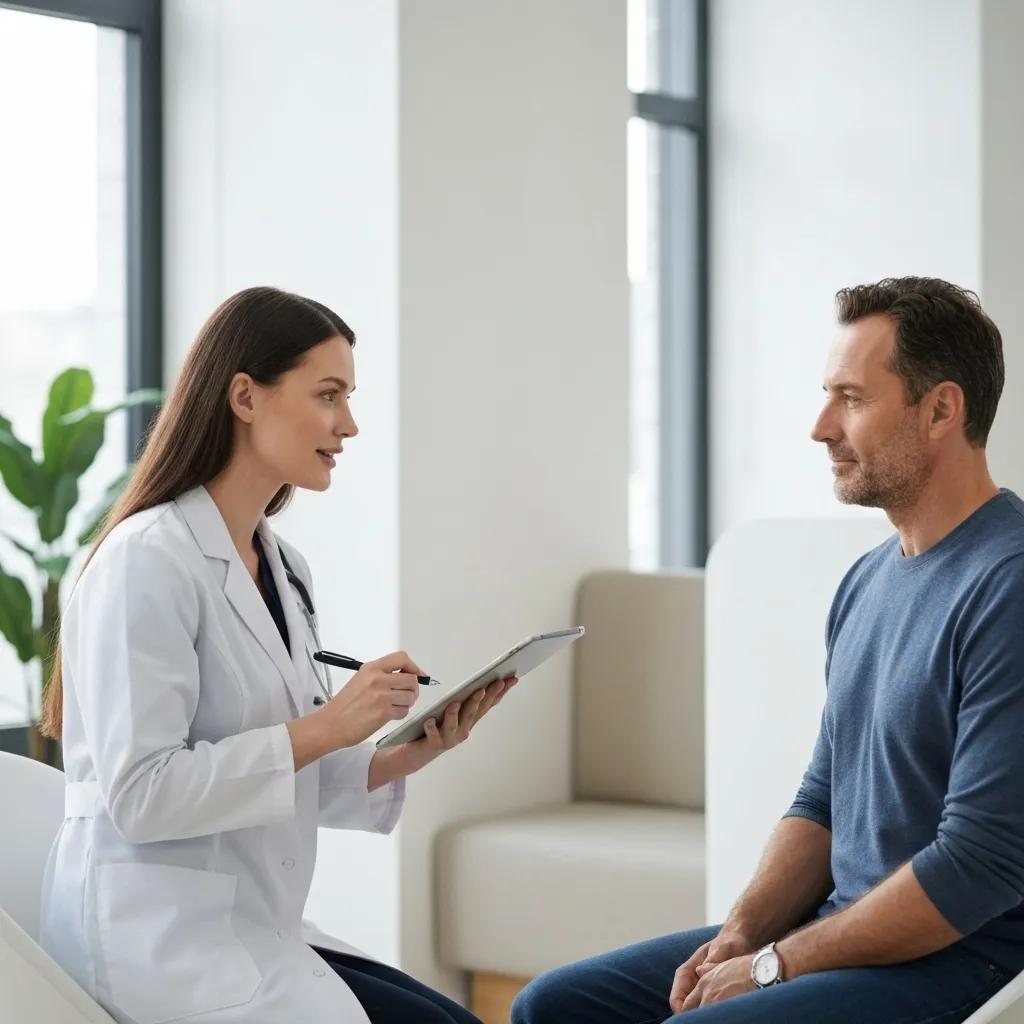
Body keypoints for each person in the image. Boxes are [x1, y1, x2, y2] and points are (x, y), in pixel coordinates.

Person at [513, 276, 1024, 1023]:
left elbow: (976, 867)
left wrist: (775, 964)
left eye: (852, 398)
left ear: (941, 408)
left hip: (959, 957)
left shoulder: (1008, 584)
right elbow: (822, 799)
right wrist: (743, 935)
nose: (822, 426)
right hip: (840, 929)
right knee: (556, 1006)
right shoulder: (868, 580)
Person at [38, 286, 516, 1024]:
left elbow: (288, 774)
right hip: (154, 940)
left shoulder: (283, 567)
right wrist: (332, 724)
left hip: (250, 929)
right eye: (329, 395)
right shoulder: (147, 563)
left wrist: (401, 751)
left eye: (349, 398)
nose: (348, 424)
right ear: (244, 396)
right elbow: (143, 796)